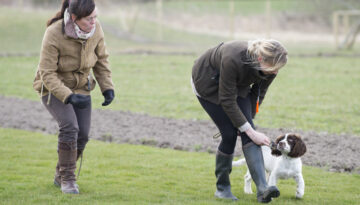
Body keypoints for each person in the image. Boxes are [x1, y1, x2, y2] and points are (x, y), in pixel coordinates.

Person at [33, 0, 114, 194]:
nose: (94, 22)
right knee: (70, 127)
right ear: (75, 18)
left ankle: (60, 174)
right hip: (52, 88)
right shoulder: (54, 32)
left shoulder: (96, 28)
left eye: (95, 17)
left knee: (83, 135)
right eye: (89, 19)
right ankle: (68, 180)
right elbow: (47, 73)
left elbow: (101, 60)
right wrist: (68, 97)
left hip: (82, 88)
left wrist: (107, 87)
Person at [191, 39, 288, 203]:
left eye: (278, 69)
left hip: (236, 84)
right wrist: (247, 128)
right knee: (229, 134)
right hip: (207, 83)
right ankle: (222, 189)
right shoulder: (233, 57)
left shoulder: (271, 69)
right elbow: (227, 99)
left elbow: (258, 94)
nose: (276, 73)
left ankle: (263, 190)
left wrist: (246, 124)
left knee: (249, 132)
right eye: (273, 68)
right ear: (260, 59)